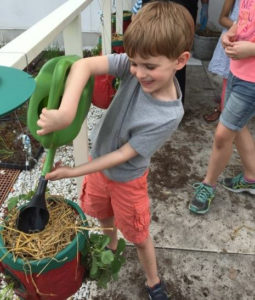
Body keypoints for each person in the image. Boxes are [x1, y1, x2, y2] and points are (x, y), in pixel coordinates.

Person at [37, 2, 195, 299]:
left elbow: (123, 155)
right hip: (100, 167)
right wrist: (67, 114)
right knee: (101, 212)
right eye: (134, 63)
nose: (138, 72)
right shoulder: (135, 67)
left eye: (149, 66)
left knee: (138, 234)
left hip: (126, 179)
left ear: (180, 60)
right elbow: (84, 65)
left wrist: (74, 170)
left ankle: (153, 280)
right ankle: (110, 245)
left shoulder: (169, 115)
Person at [189, 0, 255, 215]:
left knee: (223, 135)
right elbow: (243, 20)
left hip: (252, 82)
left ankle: (208, 184)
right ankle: (251, 177)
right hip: (236, 72)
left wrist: (252, 49)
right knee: (237, 127)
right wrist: (230, 33)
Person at [131, 0, 209, 104]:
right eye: (133, 63)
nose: (140, 74)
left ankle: (171, 102)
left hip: (181, 9)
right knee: (147, 55)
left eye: (150, 66)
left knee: (172, 59)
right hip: (153, 9)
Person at [203, 0, 240, 123]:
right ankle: (222, 110)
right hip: (235, 40)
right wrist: (242, 28)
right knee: (228, 80)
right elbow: (222, 19)